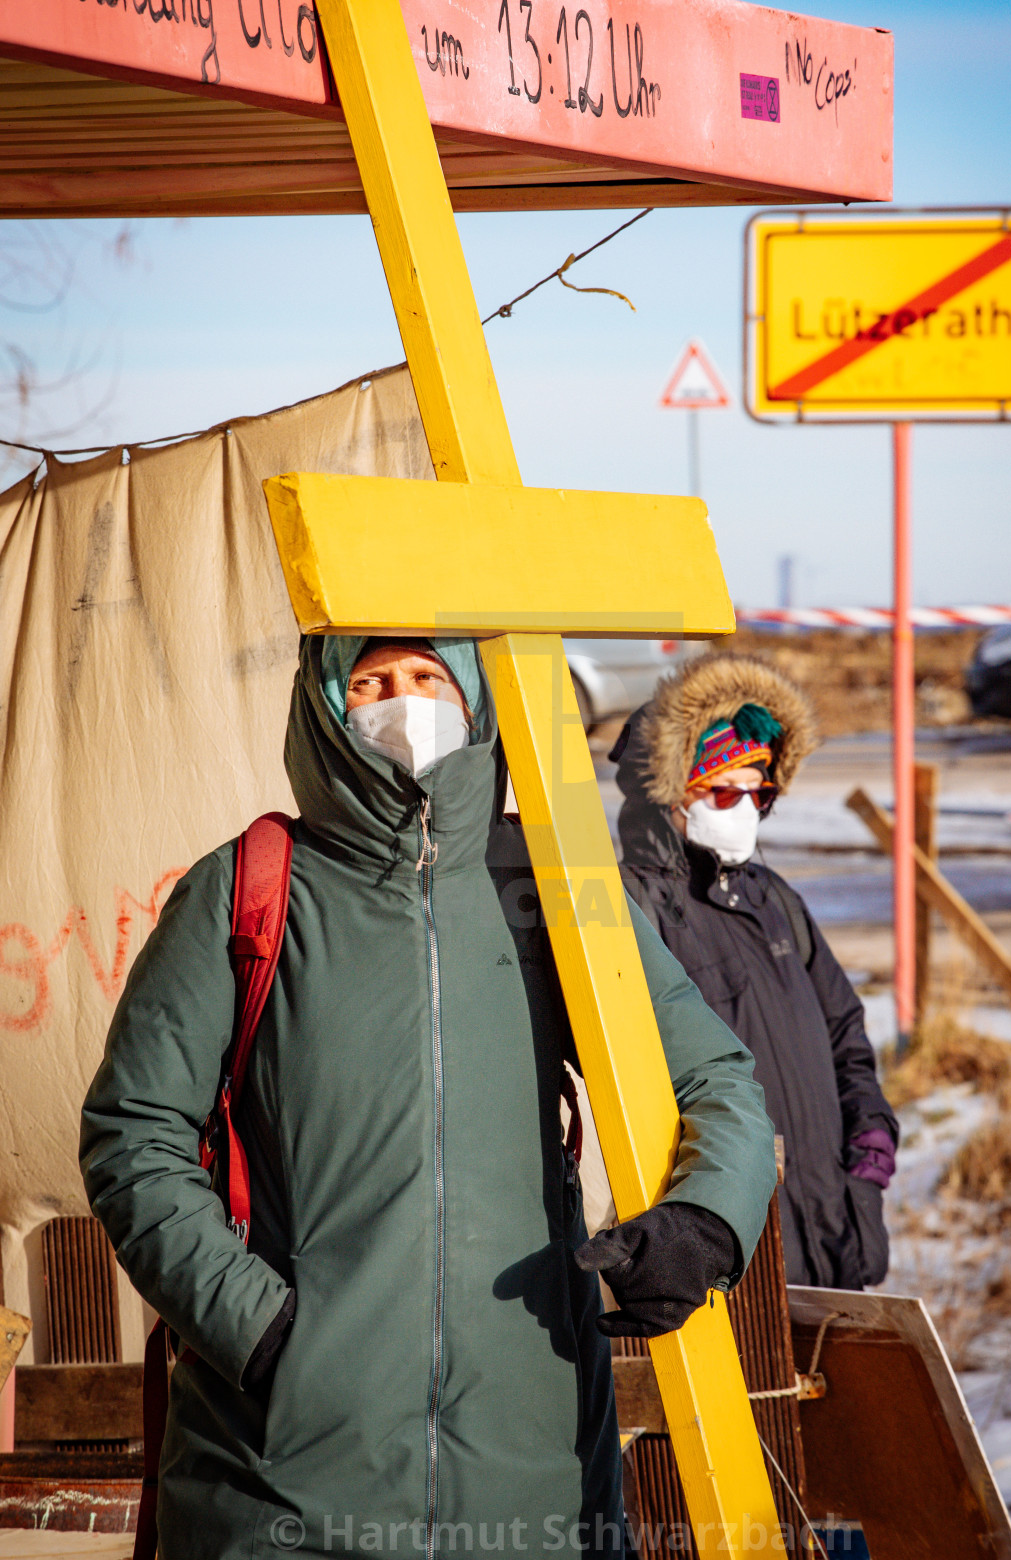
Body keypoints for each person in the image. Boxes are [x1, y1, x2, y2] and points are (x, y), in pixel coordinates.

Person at [80, 634, 777, 1560]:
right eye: (369, 682)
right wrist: (262, 1331)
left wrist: (707, 1224)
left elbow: (715, 1076)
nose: (401, 704)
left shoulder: (549, 887)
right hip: (282, 1483)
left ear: (476, 699)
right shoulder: (247, 890)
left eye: (427, 678)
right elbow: (135, 1132)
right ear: (326, 708)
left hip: (534, 1476)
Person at [613, 651, 898, 1292]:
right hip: (732, 1245)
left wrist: (870, 1149)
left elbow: (845, 1034)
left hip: (834, 1224)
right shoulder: (632, 906)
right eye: (723, 790)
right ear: (669, 787)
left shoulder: (775, 899)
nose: (744, 807)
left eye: (758, 791)